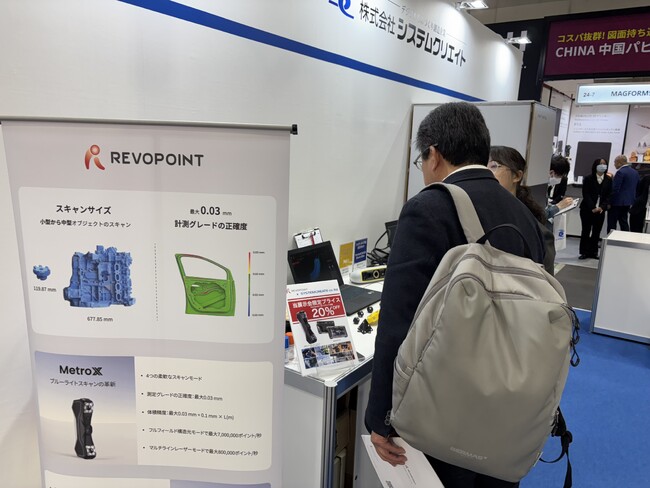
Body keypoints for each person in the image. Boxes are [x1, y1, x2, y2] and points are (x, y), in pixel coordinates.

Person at [365, 102, 545, 488]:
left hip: (444, 410)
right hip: (511, 402)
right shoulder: (524, 215)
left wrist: (381, 418)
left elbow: (400, 322)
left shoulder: (428, 208)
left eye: (421, 161)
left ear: (434, 155)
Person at [488, 145, 555, 274]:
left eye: (493, 166)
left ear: (517, 176)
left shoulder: (533, 227)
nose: (486, 172)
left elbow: (545, 277)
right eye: (482, 166)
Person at [579, 158, 612, 259]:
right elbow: (586, 194)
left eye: (604, 164)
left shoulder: (609, 179)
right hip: (587, 209)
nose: (602, 165)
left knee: (596, 232)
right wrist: (592, 207)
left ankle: (593, 252)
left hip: (601, 210)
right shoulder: (588, 178)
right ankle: (584, 252)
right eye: (600, 164)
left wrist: (602, 207)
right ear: (596, 165)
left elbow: (609, 195)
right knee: (586, 230)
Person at [607, 154, 640, 232]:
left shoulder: (620, 172)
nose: (614, 164)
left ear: (619, 162)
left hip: (617, 202)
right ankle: (625, 237)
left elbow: (615, 189)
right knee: (624, 222)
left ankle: (610, 238)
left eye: (615, 162)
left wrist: (609, 202)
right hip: (628, 201)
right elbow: (637, 186)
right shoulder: (635, 172)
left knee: (612, 223)